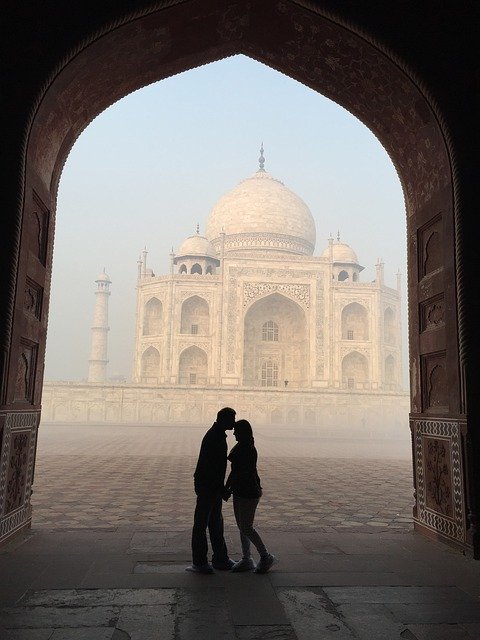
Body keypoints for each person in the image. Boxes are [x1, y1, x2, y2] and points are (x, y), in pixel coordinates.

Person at [187, 407, 237, 574]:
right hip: (207, 486)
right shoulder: (214, 436)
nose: (234, 423)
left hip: (212, 486)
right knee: (201, 524)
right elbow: (211, 469)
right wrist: (221, 489)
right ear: (224, 419)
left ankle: (220, 559)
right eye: (232, 420)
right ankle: (200, 562)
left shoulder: (217, 434)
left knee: (216, 522)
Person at [224, 419, 276, 573]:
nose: (234, 433)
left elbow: (237, 472)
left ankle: (266, 556)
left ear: (243, 432)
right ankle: (247, 558)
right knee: (242, 526)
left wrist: (227, 487)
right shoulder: (243, 446)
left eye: (236, 431)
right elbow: (236, 471)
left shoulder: (246, 449)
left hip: (249, 492)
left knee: (246, 526)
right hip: (241, 490)